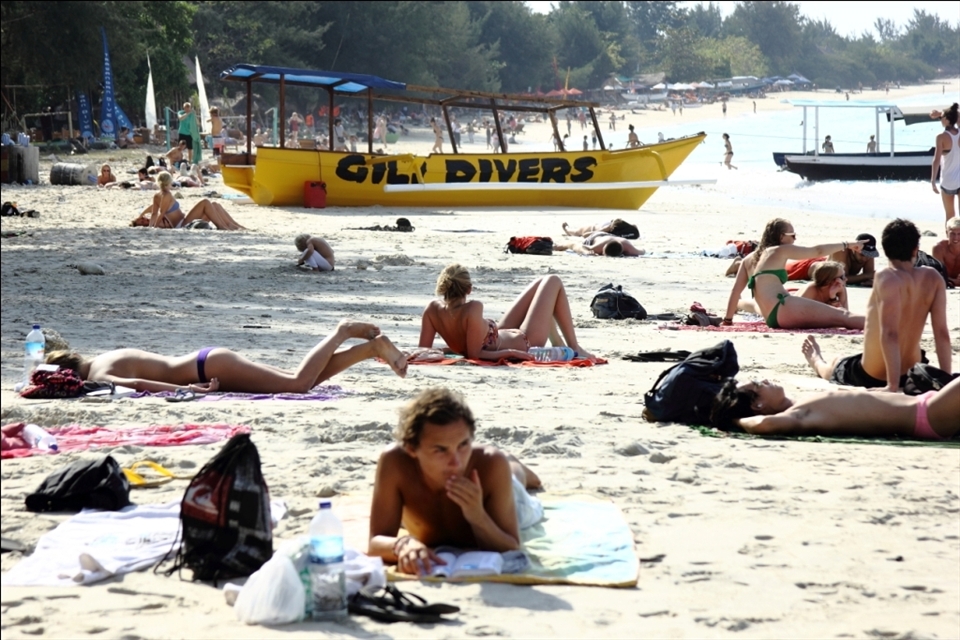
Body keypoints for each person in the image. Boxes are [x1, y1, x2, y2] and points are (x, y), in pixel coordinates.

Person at [368, 388, 543, 575]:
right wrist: (402, 544)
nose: (456, 463)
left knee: (513, 477)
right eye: (440, 450)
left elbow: (511, 546)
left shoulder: (490, 466)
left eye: (463, 445)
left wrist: (478, 516)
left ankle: (514, 464)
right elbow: (375, 542)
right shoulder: (395, 463)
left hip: (496, 507)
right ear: (411, 448)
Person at [45, 320, 407, 395]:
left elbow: (139, 384)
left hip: (206, 369)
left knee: (297, 384)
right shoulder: (105, 356)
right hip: (206, 359)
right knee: (303, 379)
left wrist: (188, 391)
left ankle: (341, 331)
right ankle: (371, 349)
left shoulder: (99, 376)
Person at [801, 219, 951, 392]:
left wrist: (892, 386)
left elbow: (890, 333)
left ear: (885, 251)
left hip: (873, 374)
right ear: (915, 249)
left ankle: (816, 360)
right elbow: (941, 333)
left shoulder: (886, 277)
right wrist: (945, 379)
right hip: (912, 370)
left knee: (836, 364)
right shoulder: (933, 278)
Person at [419, 264, 593, 361]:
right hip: (524, 341)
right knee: (553, 280)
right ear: (469, 289)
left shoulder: (432, 310)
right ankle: (573, 346)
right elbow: (475, 354)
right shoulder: (473, 308)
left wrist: (444, 350)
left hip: (499, 334)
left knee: (542, 282)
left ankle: (557, 340)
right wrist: (511, 352)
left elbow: (423, 350)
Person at [723, 218, 865, 330]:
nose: (795, 239)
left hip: (770, 318)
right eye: (792, 235)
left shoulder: (747, 259)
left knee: (839, 318)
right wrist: (848, 244)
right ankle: (878, 324)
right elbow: (817, 251)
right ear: (781, 237)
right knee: (843, 316)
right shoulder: (779, 250)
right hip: (784, 308)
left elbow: (735, 291)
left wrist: (728, 320)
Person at [710, 377, 959, 440]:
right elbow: (765, 424)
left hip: (928, 405)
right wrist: (735, 421)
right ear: (758, 404)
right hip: (928, 414)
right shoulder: (800, 415)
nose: (765, 380)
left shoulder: (802, 403)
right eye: (758, 385)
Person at [131, 171, 246, 230]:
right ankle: (222, 226)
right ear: (168, 182)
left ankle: (234, 225)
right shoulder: (167, 195)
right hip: (182, 224)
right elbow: (161, 213)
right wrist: (154, 228)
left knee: (215, 204)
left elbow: (154, 212)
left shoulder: (157, 196)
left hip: (183, 221)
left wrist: (149, 224)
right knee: (205, 202)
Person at [931, 103, 959, 221]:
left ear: (947, 120)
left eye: (942, 117)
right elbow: (957, 116)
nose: (940, 119)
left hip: (948, 181)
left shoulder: (941, 137)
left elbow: (936, 160)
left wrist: (933, 181)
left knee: (950, 216)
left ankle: (950, 234)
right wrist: (941, 113)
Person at [553, 232, 644, 257]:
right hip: (595, 236)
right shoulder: (598, 247)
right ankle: (558, 245)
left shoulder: (628, 247)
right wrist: (586, 252)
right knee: (582, 237)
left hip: (608, 235)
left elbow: (642, 251)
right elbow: (575, 245)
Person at [932, 216, 960, 287]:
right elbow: (937, 273)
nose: (956, 238)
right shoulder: (939, 248)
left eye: (959, 234)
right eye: (952, 233)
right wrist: (954, 281)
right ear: (947, 233)